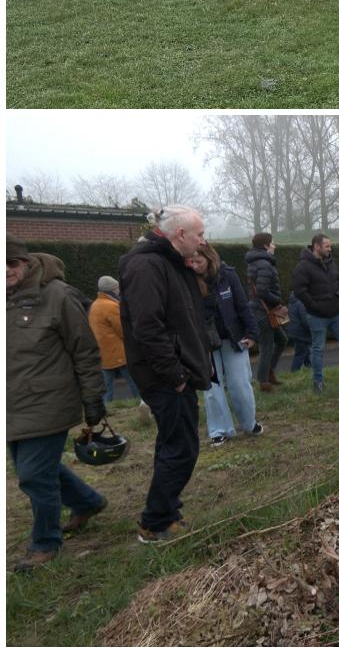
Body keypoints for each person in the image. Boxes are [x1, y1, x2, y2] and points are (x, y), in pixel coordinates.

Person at [7, 244, 108, 572]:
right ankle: (88, 502)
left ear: (26, 261)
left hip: (48, 402)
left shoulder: (58, 295)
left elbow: (85, 350)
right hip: (10, 405)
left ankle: (45, 543)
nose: (6, 270)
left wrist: (93, 399)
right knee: (36, 469)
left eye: (11, 262)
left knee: (34, 475)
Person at [120, 204, 215, 544]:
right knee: (182, 448)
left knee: (173, 442)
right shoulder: (146, 265)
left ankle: (166, 509)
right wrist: (175, 375)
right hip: (165, 375)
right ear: (180, 235)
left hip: (175, 370)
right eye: (200, 235)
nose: (203, 242)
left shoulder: (169, 262)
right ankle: (155, 521)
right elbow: (148, 329)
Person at [187, 242, 260, 447]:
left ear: (210, 259)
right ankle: (219, 431)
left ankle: (249, 423)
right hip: (205, 343)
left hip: (233, 338)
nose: (194, 265)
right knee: (211, 388)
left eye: (198, 261)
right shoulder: (187, 278)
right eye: (191, 261)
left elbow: (242, 305)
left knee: (240, 385)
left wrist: (252, 333)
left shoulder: (228, 275)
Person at [292, 234, 339, 394]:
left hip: (336, 314)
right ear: (316, 246)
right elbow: (300, 291)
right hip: (316, 316)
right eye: (327, 246)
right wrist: (314, 306)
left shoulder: (330, 261)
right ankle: (318, 382)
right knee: (318, 349)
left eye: (330, 246)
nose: (330, 248)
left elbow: (338, 281)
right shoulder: (303, 266)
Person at [245, 233, 289, 392]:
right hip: (262, 311)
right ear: (265, 246)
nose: (274, 246)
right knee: (267, 346)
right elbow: (262, 291)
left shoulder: (257, 262)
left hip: (262, 309)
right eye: (272, 243)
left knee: (282, 340)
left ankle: (269, 372)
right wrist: (277, 300)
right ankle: (263, 382)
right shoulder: (264, 263)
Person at [90, 275, 137, 405]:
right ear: (111, 290)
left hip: (103, 353)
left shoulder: (95, 305)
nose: (118, 290)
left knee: (106, 388)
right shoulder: (111, 306)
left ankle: (106, 410)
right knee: (134, 382)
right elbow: (123, 330)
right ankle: (138, 405)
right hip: (118, 352)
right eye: (116, 288)